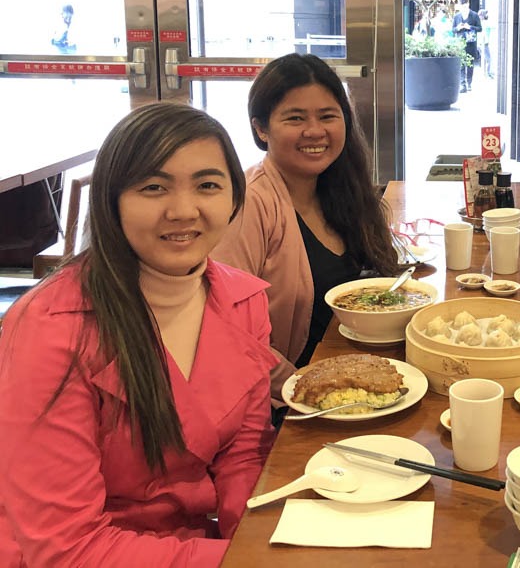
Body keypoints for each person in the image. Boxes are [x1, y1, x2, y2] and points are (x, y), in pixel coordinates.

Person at [0, 104, 275, 566]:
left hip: (195, 547)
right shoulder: (51, 328)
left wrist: (264, 542)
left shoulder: (242, 299)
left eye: (208, 185)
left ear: (234, 198)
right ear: (112, 200)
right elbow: (65, 546)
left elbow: (243, 456)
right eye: (153, 187)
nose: (184, 210)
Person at [212, 53, 399, 409]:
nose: (315, 131)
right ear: (261, 128)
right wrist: (306, 388)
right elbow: (227, 331)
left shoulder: (339, 187)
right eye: (295, 118)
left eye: (327, 116)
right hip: (289, 399)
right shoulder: (251, 203)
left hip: (352, 369)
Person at [452, 0, 482, 92]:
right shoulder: (457, 16)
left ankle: (469, 83)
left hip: (471, 43)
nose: (463, 8)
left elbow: (480, 28)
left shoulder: (474, 15)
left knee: (470, 64)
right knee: (461, 64)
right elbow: (452, 30)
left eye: (464, 5)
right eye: (461, 6)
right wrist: (458, 28)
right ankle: (462, 84)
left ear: (468, 4)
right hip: (460, 44)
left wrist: (470, 27)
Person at [479, 8, 494, 78]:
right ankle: (487, 73)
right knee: (488, 59)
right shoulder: (484, 23)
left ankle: (485, 74)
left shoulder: (480, 23)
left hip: (483, 44)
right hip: (483, 44)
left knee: (485, 59)